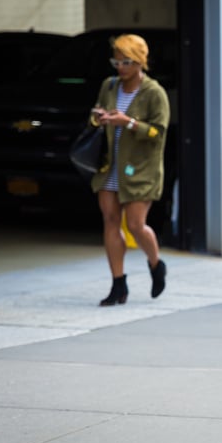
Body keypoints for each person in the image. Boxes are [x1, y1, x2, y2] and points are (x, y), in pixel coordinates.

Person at [88, 34, 170, 306]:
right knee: (110, 221)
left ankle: (156, 264)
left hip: (140, 169)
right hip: (109, 166)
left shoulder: (154, 93)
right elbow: (95, 115)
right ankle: (118, 284)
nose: (120, 67)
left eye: (126, 61)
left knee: (135, 225)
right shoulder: (109, 86)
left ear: (139, 62)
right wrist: (98, 117)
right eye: (117, 61)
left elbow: (158, 132)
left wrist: (130, 123)